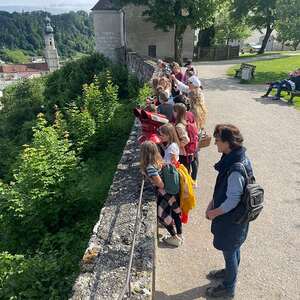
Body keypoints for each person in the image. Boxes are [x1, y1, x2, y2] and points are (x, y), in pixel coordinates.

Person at [205, 124, 253, 298]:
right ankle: (229, 272)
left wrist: (214, 212)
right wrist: (212, 202)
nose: (215, 143)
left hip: (231, 219)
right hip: (238, 218)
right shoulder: (240, 158)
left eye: (218, 140)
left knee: (230, 250)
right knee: (234, 247)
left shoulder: (235, 168)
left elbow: (232, 199)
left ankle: (229, 287)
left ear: (227, 143)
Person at [140, 141, 182, 247]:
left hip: (165, 194)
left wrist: (151, 179)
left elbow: (161, 184)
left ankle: (174, 238)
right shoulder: (159, 160)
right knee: (175, 213)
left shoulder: (150, 167)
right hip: (171, 193)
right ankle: (179, 235)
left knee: (162, 215)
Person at [189, 90, 208, 181]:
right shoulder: (202, 108)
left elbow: (193, 124)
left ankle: (193, 179)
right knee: (196, 156)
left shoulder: (193, 110)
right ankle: (194, 177)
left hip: (194, 134)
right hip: (199, 132)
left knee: (192, 157)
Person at [173, 103, 192, 171]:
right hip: (187, 153)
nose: (173, 112)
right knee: (186, 170)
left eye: (174, 111)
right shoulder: (184, 121)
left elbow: (186, 139)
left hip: (182, 154)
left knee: (183, 172)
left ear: (177, 113)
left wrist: (178, 145)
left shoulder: (179, 126)